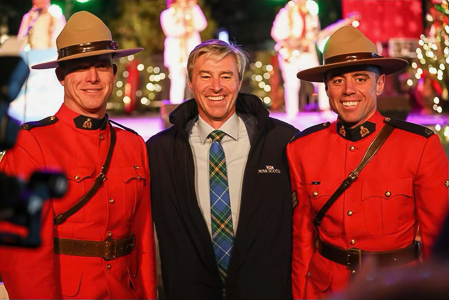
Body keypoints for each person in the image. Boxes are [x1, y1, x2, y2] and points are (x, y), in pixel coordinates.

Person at [0, 11, 157, 299]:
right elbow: (21, 255)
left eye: (101, 65)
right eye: (80, 67)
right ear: (61, 76)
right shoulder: (31, 144)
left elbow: (142, 238)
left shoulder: (133, 144)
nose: (93, 77)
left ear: (113, 72)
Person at [287, 25, 448, 299]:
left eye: (360, 79)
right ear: (327, 88)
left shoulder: (420, 145)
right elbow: (302, 241)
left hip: (396, 288)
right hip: (326, 289)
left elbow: (438, 244)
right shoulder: (302, 148)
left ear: (380, 83)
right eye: (338, 80)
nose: (349, 90)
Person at [146, 39, 298, 300]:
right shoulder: (159, 151)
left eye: (226, 76)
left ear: (239, 82)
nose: (216, 86)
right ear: (191, 83)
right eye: (205, 76)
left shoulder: (283, 142)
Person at [271, 0, 329, 118]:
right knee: (292, 84)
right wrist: (289, 41)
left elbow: (315, 34)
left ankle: (325, 109)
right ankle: (292, 114)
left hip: (307, 53)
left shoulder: (312, 14)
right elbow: (275, 32)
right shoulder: (285, 13)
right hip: (289, 53)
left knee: (321, 79)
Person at [161, 0, 207, 104]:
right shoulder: (167, 14)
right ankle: (177, 109)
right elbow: (170, 30)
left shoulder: (193, 10)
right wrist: (185, 28)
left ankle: (200, 108)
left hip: (192, 50)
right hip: (176, 52)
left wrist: (192, 9)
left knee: (197, 79)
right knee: (177, 81)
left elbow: (202, 24)